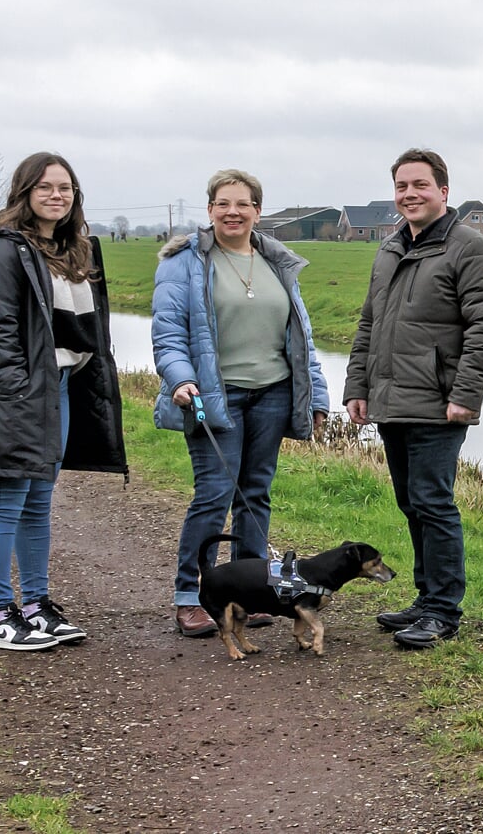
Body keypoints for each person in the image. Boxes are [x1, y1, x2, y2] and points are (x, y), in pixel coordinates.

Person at [0, 152, 128, 651]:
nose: (57, 196)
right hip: (19, 393)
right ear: (25, 192)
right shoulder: (5, 247)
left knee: (38, 503)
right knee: (6, 502)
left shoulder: (76, 250)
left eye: (66, 188)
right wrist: (15, 394)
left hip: (62, 387)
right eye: (46, 187)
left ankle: (35, 605)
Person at [152, 169, 331, 638]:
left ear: (257, 210)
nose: (234, 211)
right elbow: (168, 333)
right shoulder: (184, 262)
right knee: (213, 495)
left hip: (272, 393)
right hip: (213, 397)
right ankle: (192, 596)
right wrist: (180, 379)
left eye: (244, 203)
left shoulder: (276, 262)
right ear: (210, 210)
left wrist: (317, 393)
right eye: (223, 203)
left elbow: (301, 339)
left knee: (256, 493)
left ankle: (249, 596)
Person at [344, 148, 483, 649]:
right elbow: (370, 322)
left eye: (420, 185)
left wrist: (466, 395)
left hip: (439, 402)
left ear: (443, 191)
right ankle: (424, 597)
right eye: (402, 187)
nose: (409, 194)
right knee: (411, 502)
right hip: (391, 399)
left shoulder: (469, 247)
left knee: (434, 503)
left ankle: (442, 611)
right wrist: (358, 387)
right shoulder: (391, 247)